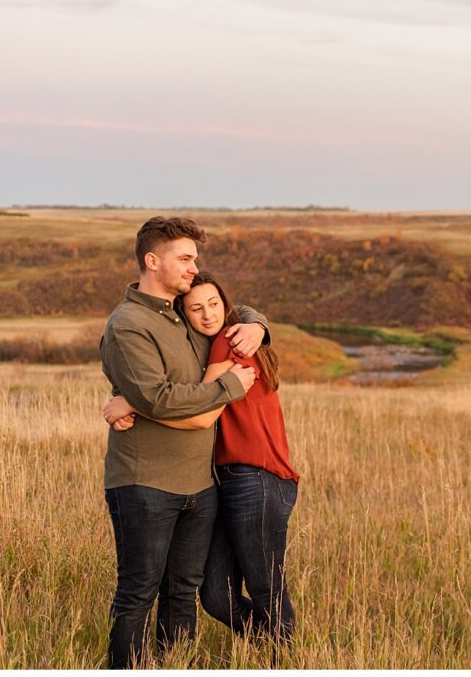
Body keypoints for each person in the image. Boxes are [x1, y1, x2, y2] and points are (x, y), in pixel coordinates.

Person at [99, 216, 269, 669]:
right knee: (138, 591)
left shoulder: (180, 314)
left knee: (183, 592)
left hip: (200, 485)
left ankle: (176, 666)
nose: (194, 267)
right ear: (152, 261)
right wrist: (232, 385)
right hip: (145, 483)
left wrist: (257, 324)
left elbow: (227, 316)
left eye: (195, 258)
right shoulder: (129, 324)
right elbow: (160, 396)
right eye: (185, 258)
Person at [104, 271, 299, 644]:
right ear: (183, 314)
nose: (208, 315)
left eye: (214, 305)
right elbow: (187, 390)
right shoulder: (214, 340)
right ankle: (274, 645)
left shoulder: (230, 342)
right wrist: (256, 322)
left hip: (257, 478)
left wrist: (134, 402)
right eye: (196, 308)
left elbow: (203, 410)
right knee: (213, 595)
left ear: (226, 306)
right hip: (225, 479)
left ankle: (286, 656)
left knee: (266, 591)